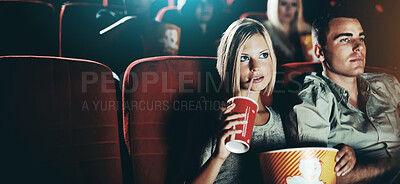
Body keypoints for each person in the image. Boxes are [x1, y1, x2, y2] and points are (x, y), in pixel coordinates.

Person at [188, 18, 354, 184]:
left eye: (263, 55)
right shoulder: (211, 117)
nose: (256, 66)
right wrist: (219, 156)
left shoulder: (281, 119)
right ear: (229, 63)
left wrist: (341, 153)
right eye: (244, 58)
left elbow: (306, 164)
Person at [285, 15, 400, 183]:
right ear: (320, 52)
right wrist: (391, 165)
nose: (359, 46)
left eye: (360, 38)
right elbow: (315, 178)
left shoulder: (387, 83)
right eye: (345, 39)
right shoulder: (314, 97)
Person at [263, 0, 314, 65]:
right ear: (274, 6)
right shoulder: (264, 30)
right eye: (284, 3)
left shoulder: (307, 29)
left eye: (293, 4)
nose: (289, 9)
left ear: (298, 8)